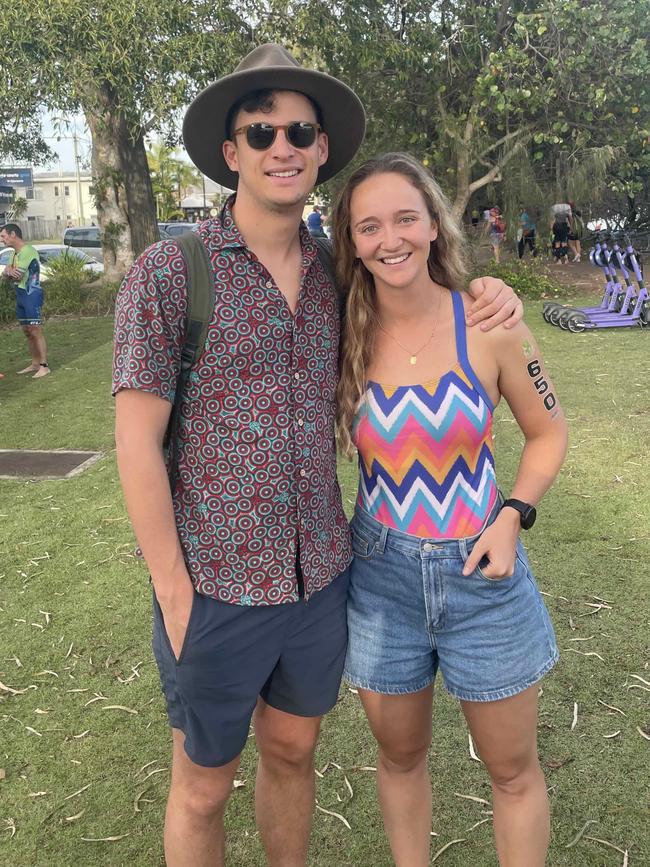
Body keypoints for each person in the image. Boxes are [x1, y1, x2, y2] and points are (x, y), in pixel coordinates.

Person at [112, 44, 524, 867]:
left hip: (322, 579)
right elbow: (135, 441)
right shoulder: (171, 274)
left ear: (321, 148)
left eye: (299, 129)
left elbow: (422, 290)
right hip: (214, 585)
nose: (282, 146)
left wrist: (489, 292)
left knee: (294, 753)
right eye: (260, 131)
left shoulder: (343, 276)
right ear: (232, 154)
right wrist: (169, 583)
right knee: (201, 787)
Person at [333, 153, 568, 867]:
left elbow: (549, 431)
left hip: (483, 575)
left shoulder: (490, 321)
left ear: (434, 223)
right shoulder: (340, 330)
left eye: (405, 217)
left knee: (512, 771)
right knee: (399, 758)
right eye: (368, 226)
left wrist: (512, 513)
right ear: (352, 241)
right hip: (380, 578)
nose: (389, 238)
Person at [0, 223, 50, 378]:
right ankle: (35, 363)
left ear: (13, 234)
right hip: (21, 294)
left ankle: (44, 365)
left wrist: (10, 272)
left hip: (31, 294)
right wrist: (8, 271)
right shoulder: (13, 254)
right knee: (27, 331)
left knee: (35, 329)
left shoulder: (28, 251)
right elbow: (6, 275)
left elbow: (17, 275)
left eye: (3, 236)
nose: (2, 240)